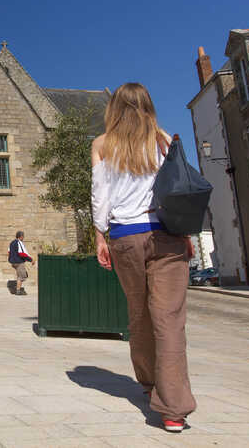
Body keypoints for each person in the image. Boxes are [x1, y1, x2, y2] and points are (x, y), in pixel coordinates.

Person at [91, 82, 196, 433]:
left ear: (114, 109)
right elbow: (178, 188)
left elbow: (99, 197)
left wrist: (99, 237)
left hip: (125, 237)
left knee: (140, 314)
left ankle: (151, 384)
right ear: (148, 106)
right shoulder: (162, 141)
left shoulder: (103, 146)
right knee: (168, 319)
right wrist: (186, 235)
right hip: (166, 234)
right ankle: (173, 409)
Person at [8, 231, 34, 295]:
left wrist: (11, 259)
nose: (23, 238)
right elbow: (21, 253)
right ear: (21, 236)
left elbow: (8, 252)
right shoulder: (19, 242)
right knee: (22, 276)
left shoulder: (11, 242)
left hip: (13, 262)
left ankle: (18, 288)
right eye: (23, 236)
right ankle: (18, 291)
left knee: (19, 275)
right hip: (19, 262)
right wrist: (30, 260)